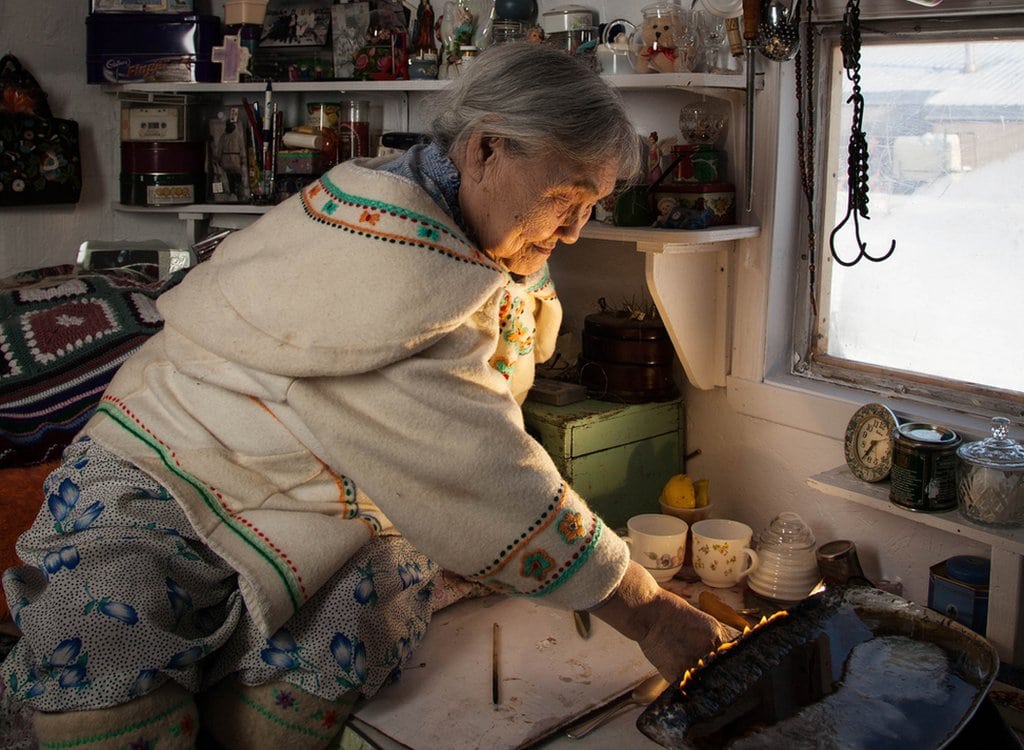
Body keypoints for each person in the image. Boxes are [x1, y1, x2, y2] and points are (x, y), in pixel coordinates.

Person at [1, 43, 734, 749]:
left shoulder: (436, 209)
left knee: (299, 695)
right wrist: (647, 611)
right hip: (163, 470)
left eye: (593, 205)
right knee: (110, 701)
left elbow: (498, 366)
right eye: (565, 199)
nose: (575, 231)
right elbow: (478, 467)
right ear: (485, 149)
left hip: (323, 497)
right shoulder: (395, 267)